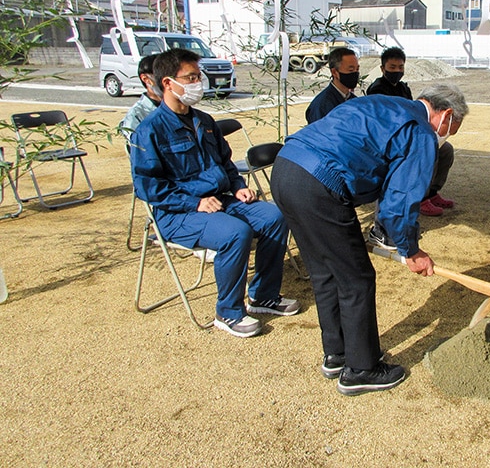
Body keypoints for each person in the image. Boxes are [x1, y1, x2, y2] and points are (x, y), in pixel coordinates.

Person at [270, 84, 468, 396]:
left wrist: (386, 233)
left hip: (286, 168)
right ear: (445, 115)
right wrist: (410, 250)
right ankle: (361, 369)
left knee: (325, 272)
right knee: (356, 279)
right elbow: (402, 198)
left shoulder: (384, 102)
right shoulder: (420, 131)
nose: (445, 138)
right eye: (451, 130)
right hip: (320, 183)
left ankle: (337, 354)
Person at [130, 48, 299, 338]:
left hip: (223, 200)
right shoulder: (150, 131)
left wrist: (238, 187)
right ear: (168, 83)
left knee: (275, 216)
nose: (198, 82)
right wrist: (194, 202)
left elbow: (226, 164)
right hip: (177, 214)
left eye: (198, 75)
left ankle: (263, 295)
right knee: (235, 233)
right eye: (191, 77)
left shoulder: (204, 122)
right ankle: (228, 312)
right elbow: (147, 187)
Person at [366, 47, 456, 226]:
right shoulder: (376, 90)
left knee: (445, 149)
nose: (397, 71)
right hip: (391, 140)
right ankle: (420, 198)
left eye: (400, 67)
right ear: (383, 68)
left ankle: (431, 193)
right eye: (392, 67)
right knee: (428, 152)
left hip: (409, 134)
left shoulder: (403, 88)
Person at [305, 47, 360, 124]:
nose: (355, 73)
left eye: (357, 69)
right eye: (350, 70)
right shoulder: (322, 105)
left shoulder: (354, 100)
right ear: (334, 72)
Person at [119, 54, 161, 140]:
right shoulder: (136, 116)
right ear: (146, 79)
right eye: (162, 75)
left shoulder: (182, 108)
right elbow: (138, 149)